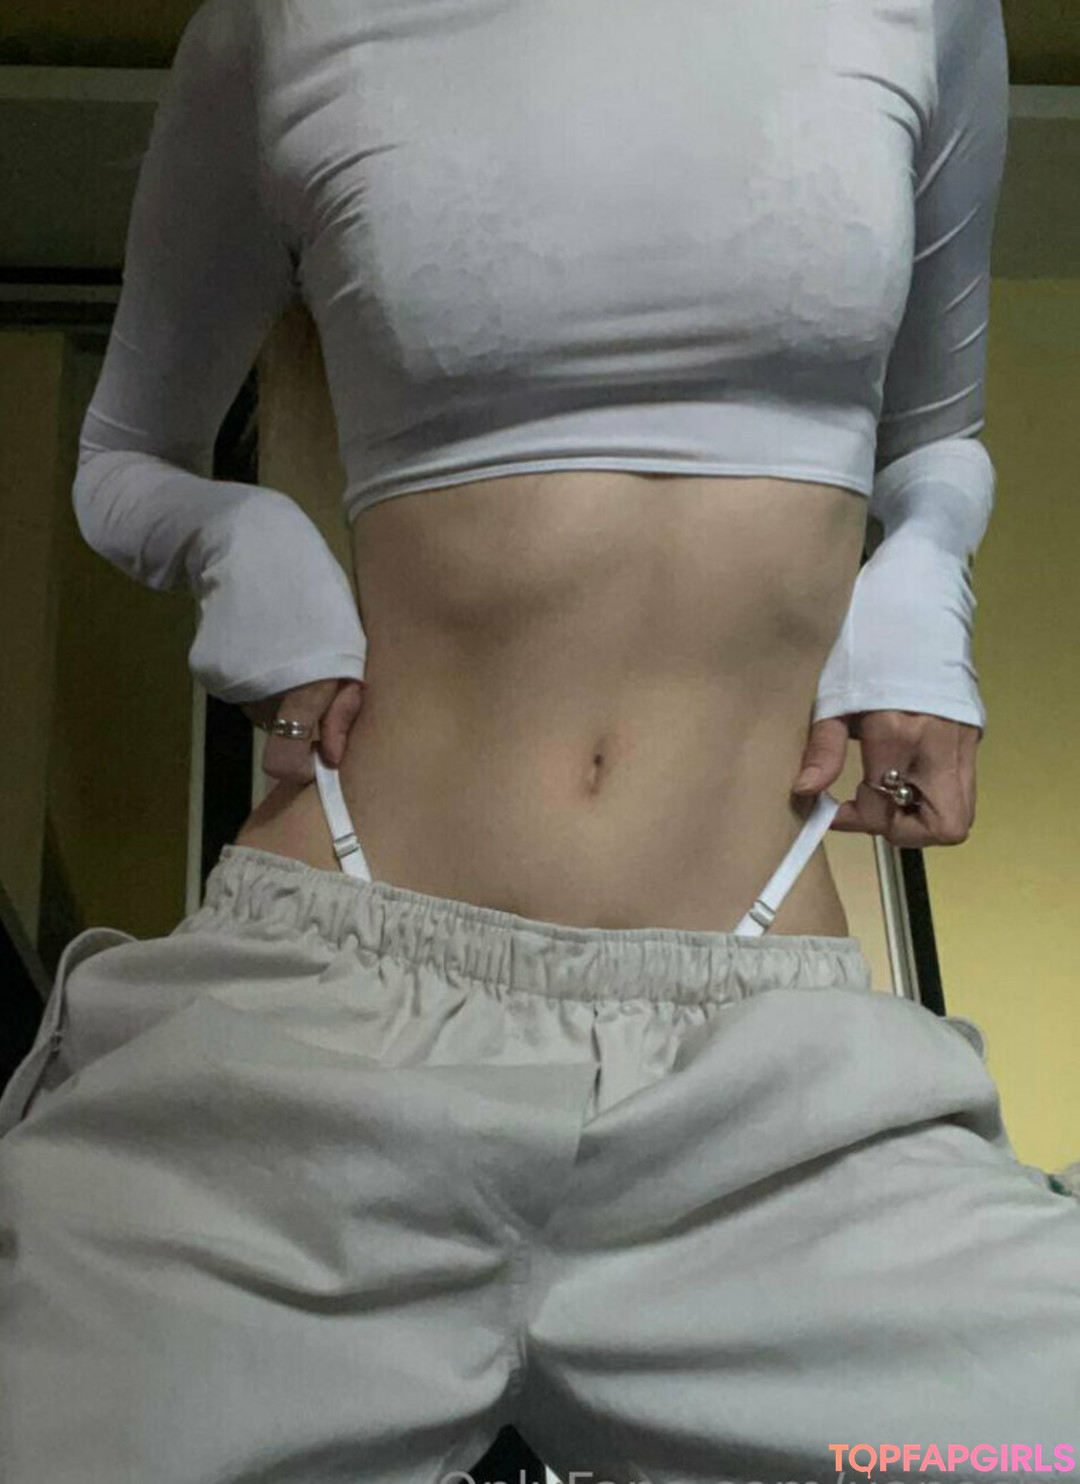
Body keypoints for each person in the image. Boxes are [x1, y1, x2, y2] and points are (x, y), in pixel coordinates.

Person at [2, 1, 1078, 1481]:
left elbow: (935, 437)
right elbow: (124, 456)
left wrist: (925, 572)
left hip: (766, 1062)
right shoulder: (278, 25)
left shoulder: (921, 14)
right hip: (336, 998)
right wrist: (236, 538)